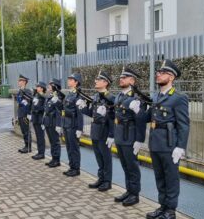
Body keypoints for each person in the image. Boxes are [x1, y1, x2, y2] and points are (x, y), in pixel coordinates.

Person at [130, 60, 189, 219]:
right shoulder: (155, 96)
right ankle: (162, 206)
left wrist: (180, 146)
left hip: (170, 144)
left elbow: (184, 124)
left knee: (171, 178)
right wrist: (138, 111)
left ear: (171, 77)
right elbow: (149, 118)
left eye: (162, 73)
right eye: (158, 72)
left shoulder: (178, 98)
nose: (158, 74)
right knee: (160, 177)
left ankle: (171, 210)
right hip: (155, 143)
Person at [113, 67, 146, 206]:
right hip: (120, 135)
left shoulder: (136, 97)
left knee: (132, 166)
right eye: (121, 77)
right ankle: (129, 190)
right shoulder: (120, 95)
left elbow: (141, 120)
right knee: (125, 165)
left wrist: (139, 139)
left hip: (130, 136)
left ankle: (135, 194)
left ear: (132, 80)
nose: (121, 79)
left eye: (125, 77)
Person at [76, 71, 115, 191]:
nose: (95, 81)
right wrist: (82, 108)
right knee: (98, 156)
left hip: (104, 130)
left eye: (98, 80)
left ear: (105, 82)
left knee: (106, 157)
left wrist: (111, 135)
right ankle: (101, 178)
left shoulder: (110, 98)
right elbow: (93, 113)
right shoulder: (97, 96)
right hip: (95, 129)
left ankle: (107, 181)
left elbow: (113, 118)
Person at [58, 73, 84, 177]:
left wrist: (79, 128)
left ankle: (76, 169)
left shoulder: (78, 95)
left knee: (74, 148)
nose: (68, 80)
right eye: (69, 79)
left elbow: (80, 113)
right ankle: (71, 166)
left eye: (71, 79)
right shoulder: (69, 94)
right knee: (69, 147)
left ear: (76, 82)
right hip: (66, 124)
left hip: (73, 125)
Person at [42, 78, 63, 167]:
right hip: (48, 121)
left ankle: (57, 160)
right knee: (51, 141)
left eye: (50, 85)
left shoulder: (57, 97)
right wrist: (43, 122)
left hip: (54, 122)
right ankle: (53, 158)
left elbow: (58, 112)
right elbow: (46, 110)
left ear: (54, 86)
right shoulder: (50, 95)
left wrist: (58, 125)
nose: (48, 86)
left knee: (55, 142)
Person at [15, 74, 33, 154]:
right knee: (23, 130)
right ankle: (26, 145)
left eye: (20, 81)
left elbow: (30, 102)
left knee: (26, 131)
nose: (18, 82)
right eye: (19, 81)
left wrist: (29, 113)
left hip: (25, 114)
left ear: (24, 82)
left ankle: (28, 147)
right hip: (21, 113)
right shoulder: (20, 91)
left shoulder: (27, 91)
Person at [31, 81, 47, 160]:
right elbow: (33, 106)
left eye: (38, 87)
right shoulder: (36, 95)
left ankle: (41, 153)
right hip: (35, 118)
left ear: (41, 88)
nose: (36, 88)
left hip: (40, 119)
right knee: (37, 136)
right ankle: (39, 152)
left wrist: (38, 110)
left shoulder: (44, 97)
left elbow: (45, 108)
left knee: (41, 137)